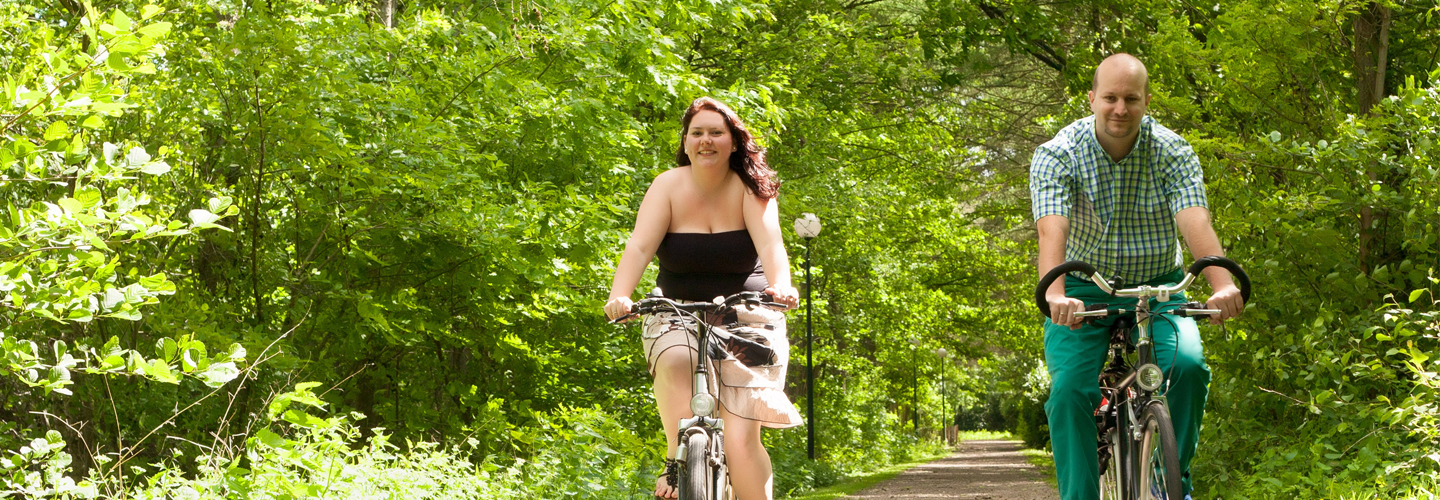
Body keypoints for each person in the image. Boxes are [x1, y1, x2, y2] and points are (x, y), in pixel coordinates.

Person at [1029, 54, 1245, 500]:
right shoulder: (1057, 154)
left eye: (1131, 98)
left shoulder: (1172, 151)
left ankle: (1169, 482)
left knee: (1186, 365)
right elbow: (1052, 228)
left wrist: (1222, 283)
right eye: (1109, 97)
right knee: (1069, 390)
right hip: (1085, 290)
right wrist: (1056, 294)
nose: (1119, 109)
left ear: (1146, 101)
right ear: (1092, 99)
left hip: (1159, 287)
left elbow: (1195, 223)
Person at [604, 97, 802, 500]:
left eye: (716, 133)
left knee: (740, 439)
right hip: (677, 312)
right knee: (675, 362)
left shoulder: (751, 188)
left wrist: (782, 286)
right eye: (697, 133)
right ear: (686, 141)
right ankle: (678, 459)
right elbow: (640, 247)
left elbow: (772, 246)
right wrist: (619, 295)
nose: (705, 141)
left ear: (733, 142)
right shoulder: (667, 186)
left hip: (748, 314)